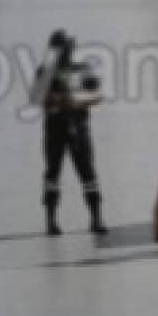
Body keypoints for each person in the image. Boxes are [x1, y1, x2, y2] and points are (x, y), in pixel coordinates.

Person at [32, 29, 106, 236]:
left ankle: (96, 218)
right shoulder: (45, 72)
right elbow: (39, 100)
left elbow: (96, 95)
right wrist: (59, 102)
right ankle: (51, 221)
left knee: (88, 174)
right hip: (56, 130)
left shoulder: (81, 68)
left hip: (78, 128)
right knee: (53, 174)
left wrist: (75, 102)